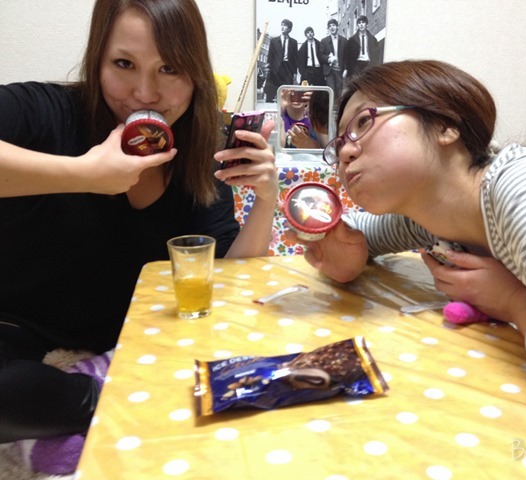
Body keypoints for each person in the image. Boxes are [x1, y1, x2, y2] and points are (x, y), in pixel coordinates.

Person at [0, 0, 278, 471]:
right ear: (97, 61)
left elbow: (228, 279)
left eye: (169, 68)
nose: (146, 93)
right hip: (18, 329)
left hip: (134, 342)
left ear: (196, 74)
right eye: (124, 64)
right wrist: (83, 174)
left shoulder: (200, 150)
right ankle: (111, 399)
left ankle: (113, 395)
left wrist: (266, 199)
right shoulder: (48, 111)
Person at [287, 59, 526, 430]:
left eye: (363, 122)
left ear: (445, 125)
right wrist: (351, 257)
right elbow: (358, 234)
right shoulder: (427, 217)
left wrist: (514, 302)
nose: (345, 153)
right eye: (339, 143)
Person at [264, 19, 299, 103]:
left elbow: (295, 58)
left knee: (287, 93)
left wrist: (295, 72)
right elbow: (270, 55)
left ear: (289, 29)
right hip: (275, 69)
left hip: (288, 69)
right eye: (282, 25)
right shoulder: (274, 41)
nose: (282, 27)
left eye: (285, 25)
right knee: (272, 91)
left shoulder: (294, 42)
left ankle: (285, 107)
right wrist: (268, 68)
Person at [344, 15, 381, 81]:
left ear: (366, 24)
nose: (361, 25)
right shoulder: (352, 40)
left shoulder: (373, 39)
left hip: (369, 64)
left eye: (363, 22)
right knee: (357, 83)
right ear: (357, 25)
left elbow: (376, 55)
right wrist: (346, 69)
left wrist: (377, 67)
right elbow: (347, 56)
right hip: (357, 65)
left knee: (368, 84)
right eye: (359, 23)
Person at [320, 19, 348, 96]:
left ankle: (338, 104)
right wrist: (329, 59)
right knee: (331, 91)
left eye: (333, 25)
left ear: (337, 27)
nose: (332, 27)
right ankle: (331, 104)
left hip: (340, 70)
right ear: (328, 29)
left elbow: (346, 57)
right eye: (330, 26)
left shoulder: (344, 40)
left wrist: (346, 69)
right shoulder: (324, 41)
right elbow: (321, 55)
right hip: (330, 71)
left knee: (339, 91)